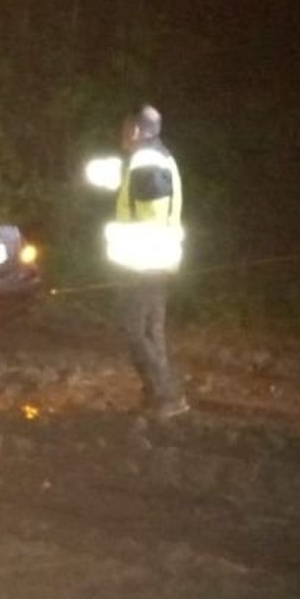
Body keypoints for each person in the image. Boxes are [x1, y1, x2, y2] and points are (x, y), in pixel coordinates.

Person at [104, 104, 189, 419]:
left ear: (136, 131)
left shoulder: (145, 163)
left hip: (143, 263)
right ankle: (158, 396)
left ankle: (167, 395)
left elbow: (149, 217)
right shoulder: (161, 157)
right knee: (152, 331)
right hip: (159, 260)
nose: (122, 135)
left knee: (133, 330)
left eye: (125, 128)